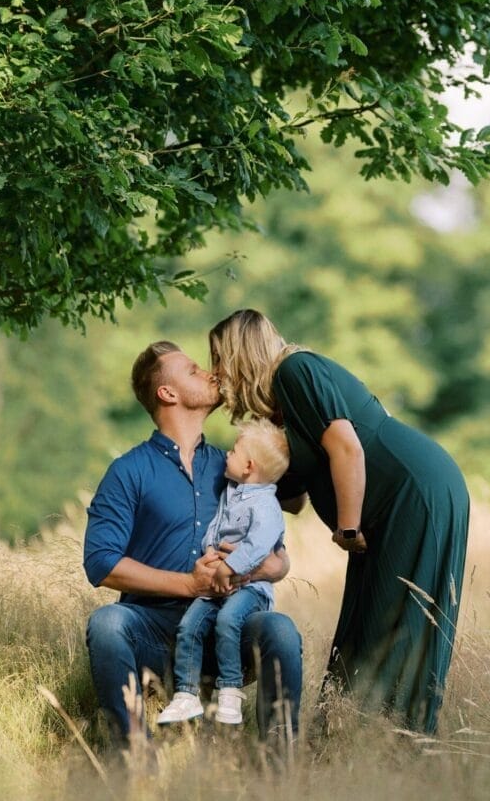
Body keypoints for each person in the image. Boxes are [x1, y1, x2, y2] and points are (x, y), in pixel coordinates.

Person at [209, 309, 470, 735]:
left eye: (219, 359)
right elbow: (289, 499)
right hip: (393, 504)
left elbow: (347, 447)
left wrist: (347, 528)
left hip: (412, 490)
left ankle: (399, 741)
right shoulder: (281, 412)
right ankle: (353, 738)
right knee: (367, 622)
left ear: (240, 355)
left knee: (398, 620)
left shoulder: (296, 371)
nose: (216, 372)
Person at [83, 341, 302, 745]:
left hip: (227, 627)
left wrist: (261, 569)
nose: (210, 374)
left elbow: (278, 554)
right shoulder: (128, 471)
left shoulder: (237, 465)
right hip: (154, 629)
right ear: (168, 393)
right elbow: (101, 563)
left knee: (280, 630)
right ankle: (132, 756)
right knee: (107, 623)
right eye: (193, 371)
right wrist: (190, 585)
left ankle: (279, 768)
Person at [157, 419, 289, 726]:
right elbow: (215, 528)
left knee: (229, 620)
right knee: (189, 625)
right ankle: (186, 695)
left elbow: (259, 545)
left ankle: (230, 690)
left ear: (248, 466)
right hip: (218, 583)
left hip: (249, 590)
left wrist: (229, 567)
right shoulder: (233, 491)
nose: (226, 455)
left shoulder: (266, 505)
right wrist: (210, 554)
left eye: (233, 451)